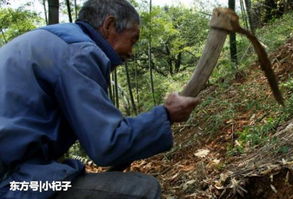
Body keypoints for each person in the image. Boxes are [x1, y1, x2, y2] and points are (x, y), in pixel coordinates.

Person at [0, 0, 200, 198]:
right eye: (133, 40)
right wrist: (165, 114)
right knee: (142, 189)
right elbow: (107, 144)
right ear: (109, 26)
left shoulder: (53, 39)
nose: (131, 52)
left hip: (16, 174)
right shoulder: (79, 52)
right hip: (16, 184)